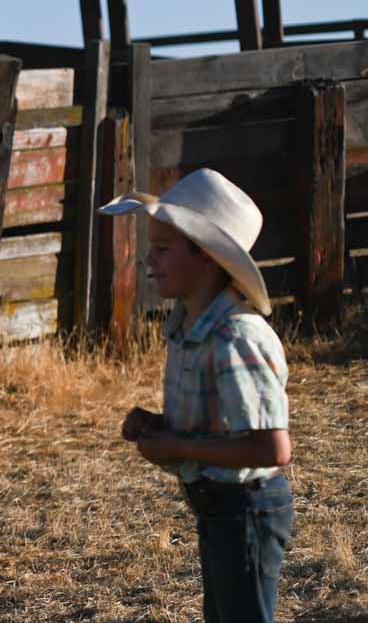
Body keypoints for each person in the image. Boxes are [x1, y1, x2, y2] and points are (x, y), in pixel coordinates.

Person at [99, 168, 293, 623]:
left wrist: (178, 446)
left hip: (246, 508)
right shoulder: (189, 329)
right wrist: (160, 426)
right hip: (218, 507)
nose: (150, 262)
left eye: (163, 249)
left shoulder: (235, 337)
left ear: (205, 256)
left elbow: (272, 447)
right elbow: (220, 426)